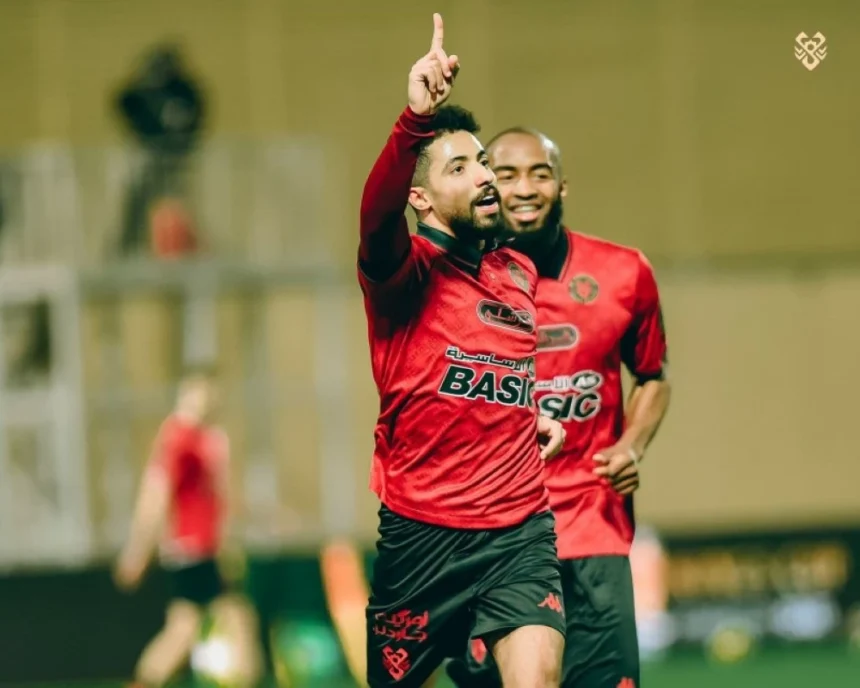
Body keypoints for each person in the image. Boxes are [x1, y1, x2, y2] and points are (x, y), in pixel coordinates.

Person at [358, 14, 568, 688]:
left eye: (483, 161)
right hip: (422, 538)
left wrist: (529, 415)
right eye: (460, 166)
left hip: (519, 530)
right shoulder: (402, 272)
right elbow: (375, 215)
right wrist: (414, 120)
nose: (485, 176)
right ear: (419, 196)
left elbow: (492, 376)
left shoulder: (519, 274)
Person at [447, 128, 672, 688]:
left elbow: (652, 377)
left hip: (594, 526)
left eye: (540, 174)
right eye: (507, 175)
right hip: (494, 535)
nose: (525, 188)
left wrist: (632, 445)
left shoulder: (624, 273)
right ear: (486, 187)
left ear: (562, 186)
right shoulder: (453, 282)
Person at [114, 367, 261, 688]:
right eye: (203, 392)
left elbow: (223, 496)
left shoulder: (205, 439)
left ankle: (143, 683)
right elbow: (155, 493)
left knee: (188, 627)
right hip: (192, 548)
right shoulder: (178, 439)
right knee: (231, 619)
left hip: (205, 547)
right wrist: (137, 549)